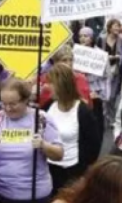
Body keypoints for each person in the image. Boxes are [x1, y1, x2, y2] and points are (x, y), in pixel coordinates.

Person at [0, 78, 64, 203]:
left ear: (26, 100)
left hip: (35, 197)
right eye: (3, 103)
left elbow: (59, 154)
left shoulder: (41, 119)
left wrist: (44, 146)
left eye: (13, 104)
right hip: (1, 196)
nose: (7, 109)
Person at [43, 63, 101, 193]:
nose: (47, 87)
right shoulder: (48, 107)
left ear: (61, 85)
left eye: (51, 83)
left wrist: (84, 173)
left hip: (73, 171)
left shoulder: (82, 111)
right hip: (49, 168)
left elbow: (93, 146)